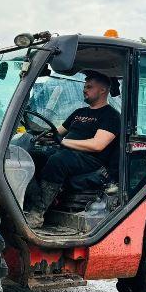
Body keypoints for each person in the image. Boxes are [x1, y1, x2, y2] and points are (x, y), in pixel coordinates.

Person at [26, 71, 120, 229]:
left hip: (91, 160)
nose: (84, 90)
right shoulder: (79, 112)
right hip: (68, 153)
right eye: (84, 86)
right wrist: (38, 134)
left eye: (89, 87)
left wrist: (64, 142)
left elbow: (97, 145)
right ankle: (26, 205)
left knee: (58, 160)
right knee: (32, 156)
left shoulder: (111, 116)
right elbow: (56, 132)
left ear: (103, 90)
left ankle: (37, 213)